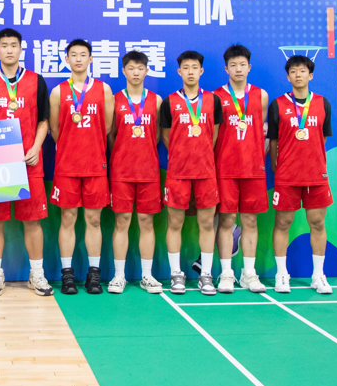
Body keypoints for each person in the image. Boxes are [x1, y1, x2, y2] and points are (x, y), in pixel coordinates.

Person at [0, 28, 53, 297]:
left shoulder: (36, 81)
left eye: (13, 45)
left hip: (29, 162)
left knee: (33, 221)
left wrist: (36, 147)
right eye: (4, 45)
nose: (9, 50)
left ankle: (37, 274)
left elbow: (44, 121)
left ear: (20, 49)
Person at [48, 39, 114, 295]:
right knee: (68, 218)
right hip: (67, 166)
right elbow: (56, 130)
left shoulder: (104, 90)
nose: (78, 59)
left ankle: (93, 275)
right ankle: (67, 274)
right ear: (66, 59)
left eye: (83, 54)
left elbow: (106, 127)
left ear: (91, 58)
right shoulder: (58, 92)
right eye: (73, 55)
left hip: (95, 166)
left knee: (94, 220)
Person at [268, 55, 334, 295]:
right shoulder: (277, 104)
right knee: (282, 223)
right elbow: (273, 141)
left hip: (316, 175)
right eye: (293, 71)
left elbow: (322, 138)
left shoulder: (323, 103)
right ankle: (281, 274)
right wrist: (278, 167)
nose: (298, 74)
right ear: (288, 77)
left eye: (303, 71)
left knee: (318, 223)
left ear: (311, 75)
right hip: (287, 176)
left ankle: (318, 275)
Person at [160, 50, 223, 296]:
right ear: (179, 72)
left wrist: (200, 154)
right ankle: (176, 273)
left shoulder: (213, 101)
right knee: (174, 223)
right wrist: (182, 155)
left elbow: (213, 135)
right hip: (178, 173)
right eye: (185, 68)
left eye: (194, 67)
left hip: (206, 172)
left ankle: (205, 274)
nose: (190, 72)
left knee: (207, 224)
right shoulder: (169, 102)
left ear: (201, 71)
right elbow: (167, 137)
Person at [213, 45, 270, 294]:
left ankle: (249, 274)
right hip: (225, 169)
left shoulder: (261, 96)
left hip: (253, 170)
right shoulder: (216, 97)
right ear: (226, 68)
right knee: (226, 221)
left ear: (249, 67)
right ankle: (226, 273)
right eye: (233, 65)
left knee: (250, 221)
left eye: (242, 64)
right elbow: (212, 135)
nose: (238, 69)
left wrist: (256, 158)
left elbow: (262, 132)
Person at [107, 51, 164, 294]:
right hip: (121, 171)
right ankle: (118, 276)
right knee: (121, 221)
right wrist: (123, 154)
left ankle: (147, 275)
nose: (136, 72)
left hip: (148, 171)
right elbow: (111, 134)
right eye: (131, 68)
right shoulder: (114, 99)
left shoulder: (157, 100)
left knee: (146, 222)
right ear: (124, 71)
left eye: (140, 68)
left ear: (147, 71)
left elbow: (158, 134)